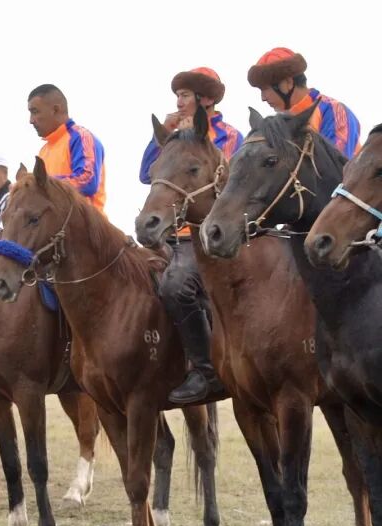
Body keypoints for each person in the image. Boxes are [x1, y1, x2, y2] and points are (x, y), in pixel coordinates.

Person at [140, 68, 242, 404]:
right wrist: (166, 136)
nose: (179, 102)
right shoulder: (173, 138)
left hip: (207, 237)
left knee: (175, 285)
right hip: (170, 234)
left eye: (185, 95)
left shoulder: (230, 135)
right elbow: (146, 175)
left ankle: (206, 371)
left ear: (206, 99)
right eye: (178, 96)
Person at [247, 47, 361, 158]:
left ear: (288, 82)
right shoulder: (280, 123)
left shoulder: (335, 112)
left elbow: (336, 170)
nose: (263, 98)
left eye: (265, 89)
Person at [28, 84, 107, 213]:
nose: (31, 120)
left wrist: (41, 183)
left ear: (55, 110)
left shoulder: (81, 137)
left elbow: (87, 181)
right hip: (56, 228)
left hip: (87, 228)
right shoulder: (43, 151)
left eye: (35, 112)